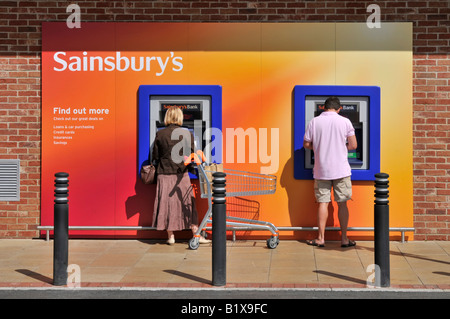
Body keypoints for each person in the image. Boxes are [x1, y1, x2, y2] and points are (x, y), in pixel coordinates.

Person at [303, 96, 357, 248]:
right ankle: (344, 239)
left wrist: (319, 148)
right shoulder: (345, 121)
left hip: (321, 170)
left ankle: (320, 238)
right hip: (341, 170)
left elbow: (306, 143)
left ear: (324, 107)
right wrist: (340, 148)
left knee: (322, 203)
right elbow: (353, 145)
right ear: (339, 108)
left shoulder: (314, 122)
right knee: (342, 204)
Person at [151, 106, 210, 245]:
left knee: (166, 204)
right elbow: (192, 155)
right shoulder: (186, 133)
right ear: (180, 117)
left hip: (164, 173)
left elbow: (155, 156)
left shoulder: (160, 134)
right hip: (181, 173)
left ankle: (171, 236)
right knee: (188, 203)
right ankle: (196, 234)